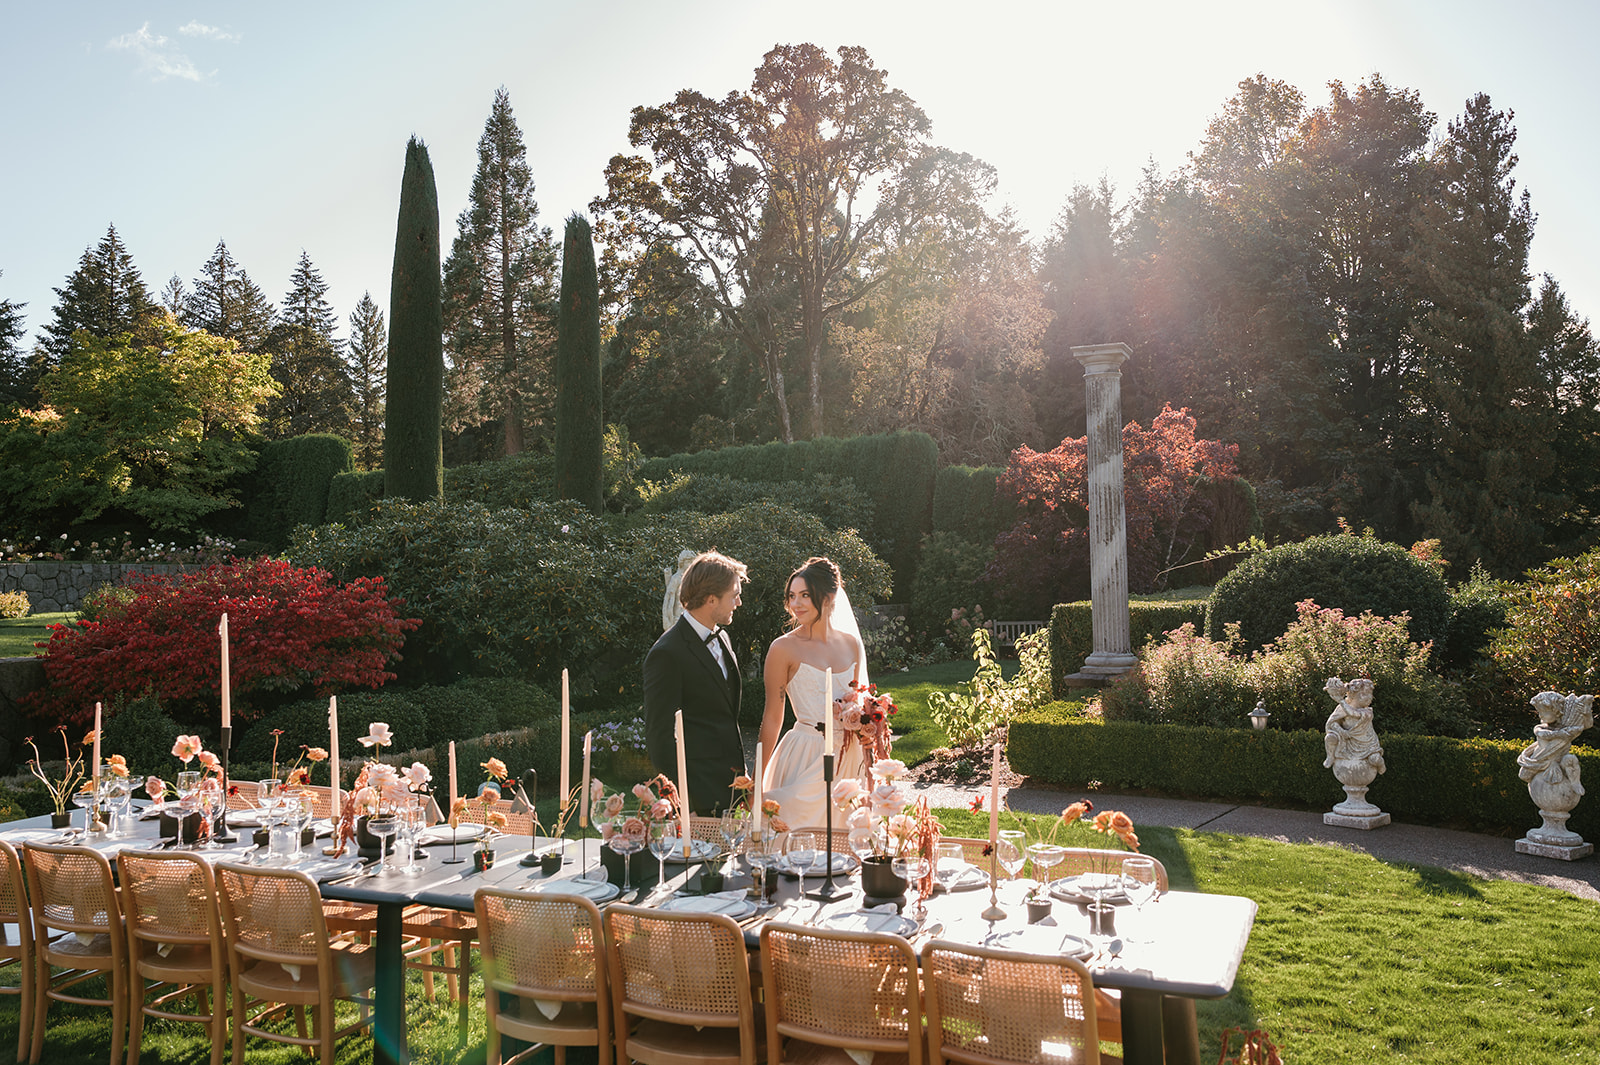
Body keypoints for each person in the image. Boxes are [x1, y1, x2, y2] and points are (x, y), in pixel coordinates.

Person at [758, 557, 869, 829]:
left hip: (849, 756)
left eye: (805, 595)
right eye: (792, 596)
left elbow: (861, 703)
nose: (796, 604)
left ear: (830, 597)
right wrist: (756, 780)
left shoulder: (851, 645)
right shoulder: (782, 649)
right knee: (793, 838)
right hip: (805, 754)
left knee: (847, 840)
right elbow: (773, 716)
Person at [644, 550, 748, 815]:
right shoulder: (666, 654)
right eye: (734, 595)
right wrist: (678, 799)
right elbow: (660, 735)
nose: (739, 602)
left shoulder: (722, 638)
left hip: (733, 786)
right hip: (696, 794)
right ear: (711, 599)